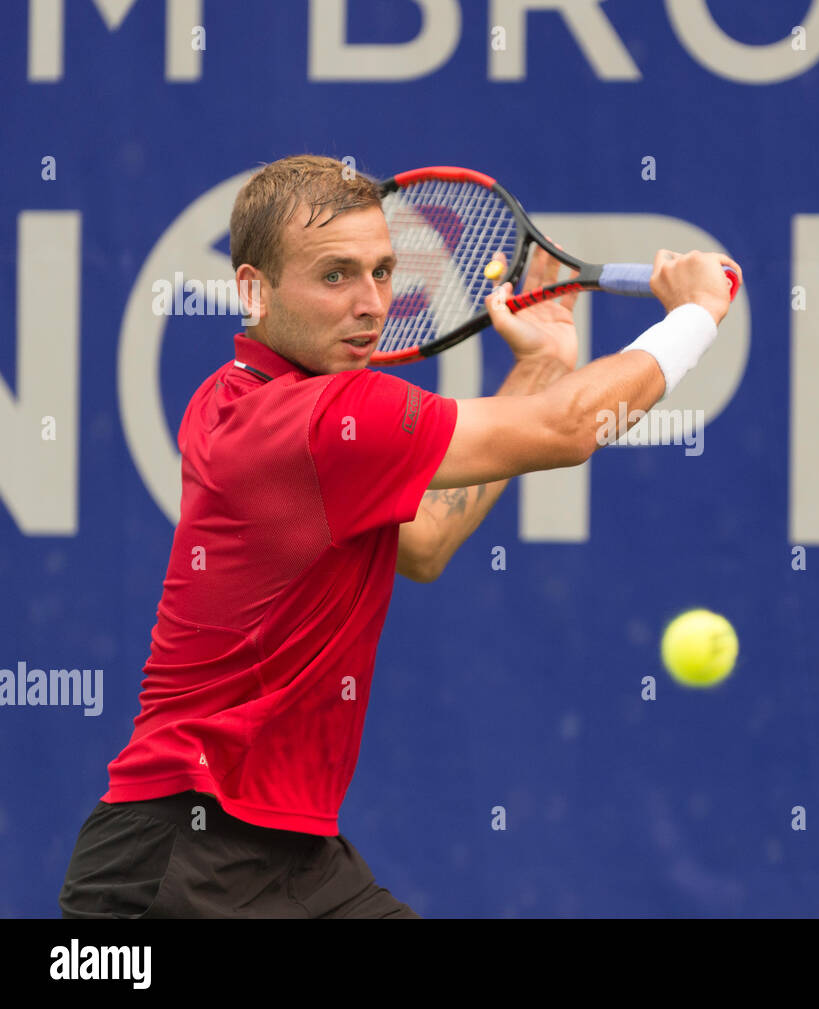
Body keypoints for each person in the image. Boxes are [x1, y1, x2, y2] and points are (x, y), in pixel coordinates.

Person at [58, 154, 740, 918]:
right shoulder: (321, 421)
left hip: (297, 857)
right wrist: (696, 315)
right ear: (252, 289)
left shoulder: (233, 397)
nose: (371, 303)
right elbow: (573, 428)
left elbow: (422, 545)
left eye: (383, 271)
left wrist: (538, 368)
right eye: (336, 275)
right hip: (174, 864)